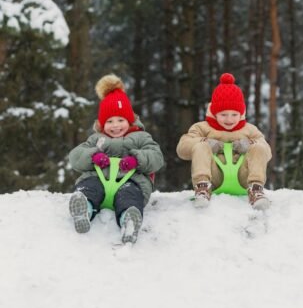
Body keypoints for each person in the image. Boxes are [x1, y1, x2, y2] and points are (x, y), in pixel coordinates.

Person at [68, 74, 164, 243]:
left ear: (130, 120)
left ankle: (129, 221)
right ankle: (84, 209)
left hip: (130, 181)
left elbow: (157, 157)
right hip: (100, 178)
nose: (115, 125)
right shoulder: (97, 139)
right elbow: (75, 157)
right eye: (109, 121)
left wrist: (137, 160)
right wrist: (93, 155)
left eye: (121, 120)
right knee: (89, 186)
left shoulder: (140, 137)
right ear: (102, 124)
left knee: (130, 195)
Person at [176, 73, 272, 210]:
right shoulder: (202, 128)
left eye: (234, 115)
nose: (229, 120)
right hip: (214, 176)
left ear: (241, 113)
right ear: (214, 112)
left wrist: (248, 144)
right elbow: (182, 148)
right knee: (200, 145)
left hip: (243, 176)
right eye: (223, 114)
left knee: (259, 147)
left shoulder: (249, 130)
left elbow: (267, 152)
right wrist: (205, 142)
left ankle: (256, 189)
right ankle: (202, 187)